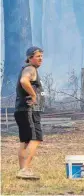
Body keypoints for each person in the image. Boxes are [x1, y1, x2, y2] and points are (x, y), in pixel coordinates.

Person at [14, 46, 45, 179]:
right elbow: (24, 81)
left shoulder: (27, 69)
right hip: (29, 110)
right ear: (29, 58)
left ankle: (23, 171)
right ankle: (25, 169)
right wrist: (33, 95)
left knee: (25, 141)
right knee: (36, 139)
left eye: (41, 56)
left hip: (22, 110)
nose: (41, 59)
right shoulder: (30, 69)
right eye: (38, 56)